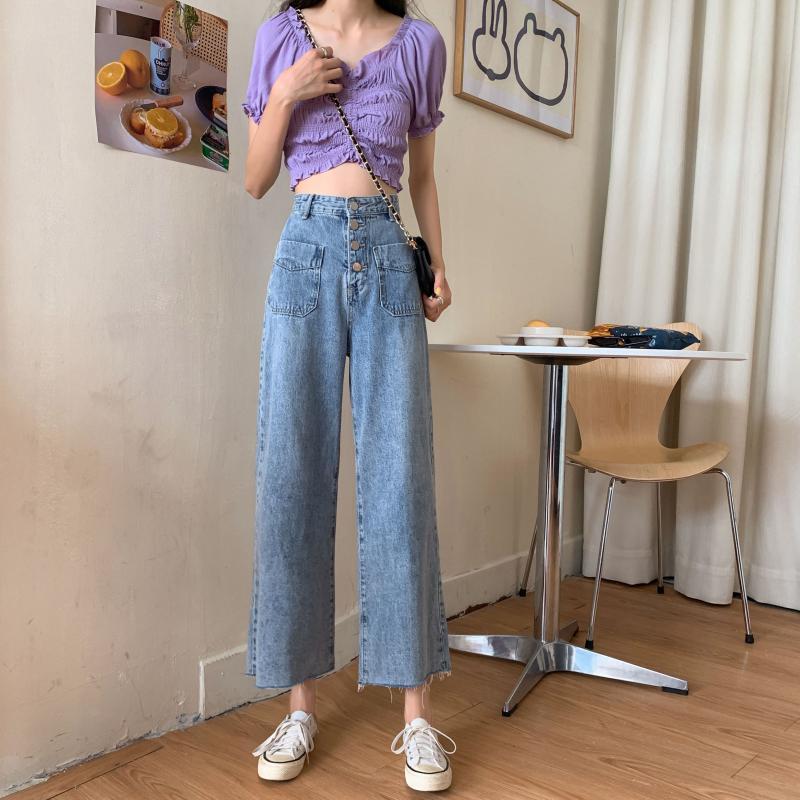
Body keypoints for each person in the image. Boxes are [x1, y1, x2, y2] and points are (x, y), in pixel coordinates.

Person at [242, 0, 455, 792]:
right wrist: (289, 91)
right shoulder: (280, 37)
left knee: (401, 478)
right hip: (304, 253)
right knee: (292, 474)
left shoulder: (421, 44)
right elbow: (255, 179)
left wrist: (438, 265)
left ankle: (417, 718)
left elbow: (422, 175)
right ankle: (299, 708)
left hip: (389, 261)